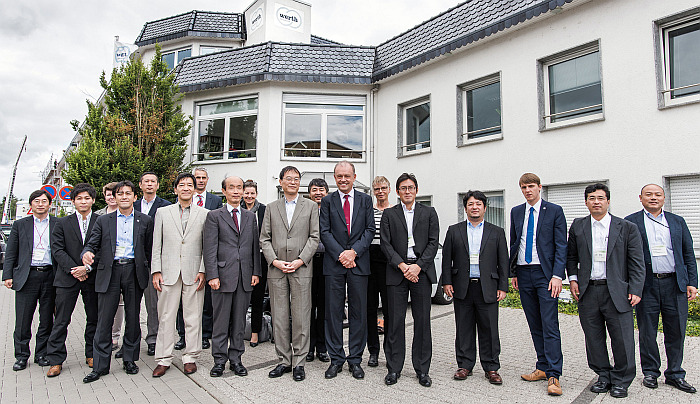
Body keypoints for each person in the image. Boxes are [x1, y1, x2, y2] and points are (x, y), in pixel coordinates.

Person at [567, 183, 645, 398]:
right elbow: (571, 256)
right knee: (593, 338)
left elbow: (637, 262)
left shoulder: (626, 227)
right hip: (588, 291)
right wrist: (573, 279)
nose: (596, 202)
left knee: (622, 338)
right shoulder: (578, 226)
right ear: (586, 202)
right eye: (591, 198)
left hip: (617, 292)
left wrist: (636, 289)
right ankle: (603, 375)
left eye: (600, 198)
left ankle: (621, 379)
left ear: (608, 201)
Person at [625, 184, 697, 393]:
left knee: (676, 331)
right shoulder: (631, 222)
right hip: (646, 286)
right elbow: (624, 257)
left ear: (664, 198)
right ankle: (650, 372)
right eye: (649, 195)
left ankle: (675, 373)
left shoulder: (677, 222)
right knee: (647, 331)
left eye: (658, 194)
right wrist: (631, 286)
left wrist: (692, 282)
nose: (653, 198)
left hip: (674, 285)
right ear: (641, 198)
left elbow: (688, 254)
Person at [81, 180, 154, 383]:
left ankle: (130, 359)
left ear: (134, 196)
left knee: (132, 318)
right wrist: (86, 253)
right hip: (109, 272)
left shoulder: (145, 220)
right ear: (114, 197)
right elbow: (92, 243)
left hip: (133, 270)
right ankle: (100, 365)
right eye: (119, 193)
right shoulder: (104, 221)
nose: (123, 196)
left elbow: (149, 249)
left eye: (127, 193)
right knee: (104, 320)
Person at [442, 191, 509, 385]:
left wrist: (503, 286)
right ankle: (465, 365)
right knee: (464, 328)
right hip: (462, 287)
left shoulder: (496, 232)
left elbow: (503, 261)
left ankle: (491, 367)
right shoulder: (454, 231)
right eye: (471, 204)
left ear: (485, 208)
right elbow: (447, 259)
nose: (474, 207)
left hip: (487, 287)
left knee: (489, 329)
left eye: (478, 204)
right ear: (465, 208)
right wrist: (447, 282)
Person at [509, 173, 566, 396]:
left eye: (531, 186)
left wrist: (557, 275)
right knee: (534, 323)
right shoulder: (516, 211)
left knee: (549, 324)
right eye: (523, 187)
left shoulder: (554, 211)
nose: (527, 190)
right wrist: (513, 271)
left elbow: (562, 245)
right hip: (524, 273)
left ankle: (554, 374)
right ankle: (542, 366)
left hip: (546, 274)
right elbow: (515, 243)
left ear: (539, 187)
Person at [260, 166, 320, 382]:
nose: (293, 182)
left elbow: (314, 237)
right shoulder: (271, 207)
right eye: (289, 179)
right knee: (280, 316)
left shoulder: (311, 206)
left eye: (296, 179)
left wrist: (299, 261)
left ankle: (299, 362)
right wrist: (274, 260)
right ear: (281, 182)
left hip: (301, 268)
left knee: (302, 316)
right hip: (277, 269)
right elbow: (264, 238)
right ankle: (284, 360)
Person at [379, 173, 439, 387]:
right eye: (403, 188)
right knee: (395, 323)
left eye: (410, 187)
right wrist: (403, 266)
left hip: (421, 272)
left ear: (416, 190)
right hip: (397, 271)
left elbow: (433, 243)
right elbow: (385, 244)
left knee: (422, 322)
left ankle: (422, 370)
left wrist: (417, 266)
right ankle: (394, 368)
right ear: (397, 192)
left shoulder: (429, 212)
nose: (407, 191)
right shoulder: (389, 214)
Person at [320, 161, 375, 380]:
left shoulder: (366, 200)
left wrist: (353, 253)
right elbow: (324, 231)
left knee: (358, 313)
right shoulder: (327, 201)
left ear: (354, 176)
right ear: (335, 178)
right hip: (334, 264)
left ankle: (355, 360)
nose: (343, 179)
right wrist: (341, 254)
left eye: (347, 175)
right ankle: (336, 359)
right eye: (339, 176)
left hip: (359, 263)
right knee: (333, 313)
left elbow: (370, 230)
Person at [151, 173, 208, 377]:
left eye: (189, 185)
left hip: (194, 272)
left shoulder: (204, 214)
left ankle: (190, 357)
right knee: (166, 316)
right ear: (175, 189)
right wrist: (156, 270)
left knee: (193, 317)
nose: (186, 188)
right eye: (181, 185)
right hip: (168, 271)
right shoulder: (162, 213)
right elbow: (156, 243)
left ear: (195, 189)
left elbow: (206, 246)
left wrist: (203, 269)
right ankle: (164, 358)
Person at [203, 175, 261, 377]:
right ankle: (219, 360)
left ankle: (236, 359)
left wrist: (255, 271)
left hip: (245, 277)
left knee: (238, 322)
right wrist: (212, 274)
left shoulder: (249, 216)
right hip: (222, 276)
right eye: (232, 188)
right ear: (224, 191)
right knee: (220, 322)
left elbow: (254, 247)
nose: (237, 191)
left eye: (239, 188)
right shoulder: (214, 216)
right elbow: (209, 248)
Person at [45, 184, 99, 377]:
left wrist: (87, 268)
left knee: (94, 317)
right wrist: (75, 269)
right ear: (73, 201)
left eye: (86, 198)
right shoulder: (62, 223)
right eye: (79, 198)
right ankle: (55, 360)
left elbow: (103, 249)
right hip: (67, 277)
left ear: (93, 200)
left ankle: (92, 354)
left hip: (92, 277)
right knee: (61, 320)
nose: (83, 201)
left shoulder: (101, 221)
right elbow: (57, 249)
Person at [2, 189, 57, 371]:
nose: (40, 204)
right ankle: (21, 355)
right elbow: (11, 252)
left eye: (44, 201)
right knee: (23, 319)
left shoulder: (58, 224)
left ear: (50, 204)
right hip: (27, 276)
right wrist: (7, 275)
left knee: (47, 318)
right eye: (36, 201)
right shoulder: (20, 225)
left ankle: (42, 353)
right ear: (31, 204)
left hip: (50, 275)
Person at [175, 167, 221, 351]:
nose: (200, 181)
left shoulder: (215, 200)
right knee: (181, 301)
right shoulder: (182, 200)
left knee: (205, 301)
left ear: (207, 180)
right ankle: (182, 335)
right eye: (197, 178)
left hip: (206, 253)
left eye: (203, 178)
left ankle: (205, 335)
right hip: (185, 256)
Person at [134, 172, 171, 357]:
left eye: (153, 182)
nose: (149, 184)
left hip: (154, 263)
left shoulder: (166, 207)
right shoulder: (131, 206)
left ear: (158, 185)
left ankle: (153, 339)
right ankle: (130, 341)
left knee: (153, 305)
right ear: (140, 185)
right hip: (133, 263)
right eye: (146, 181)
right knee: (132, 306)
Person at [96, 182, 125, 355]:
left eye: (114, 194)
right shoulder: (98, 216)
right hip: (105, 267)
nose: (111, 198)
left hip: (125, 266)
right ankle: (103, 338)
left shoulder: (130, 214)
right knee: (105, 304)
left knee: (122, 304)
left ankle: (115, 336)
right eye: (108, 195)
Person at [367, 176, 391, 368]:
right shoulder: (369, 211)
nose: (380, 191)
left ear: (389, 190)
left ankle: (390, 351)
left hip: (390, 264)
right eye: (377, 189)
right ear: (373, 191)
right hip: (370, 263)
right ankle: (373, 351)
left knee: (391, 310)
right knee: (370, 309)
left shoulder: (395, 211)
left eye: (383, 188)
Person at [241, 179, 267, 348]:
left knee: (257, 298)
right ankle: (237, 331)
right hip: (241, 259)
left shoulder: (264, 210)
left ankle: (255, 333)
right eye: (247, 193)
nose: (249, 196)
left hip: (260, 258)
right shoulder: (237, 209)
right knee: (241, 298)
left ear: (256, 194)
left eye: (252, 193)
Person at [306, 178, 330, 363]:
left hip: (326, 264)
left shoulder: (330, 211)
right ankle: (308, 347)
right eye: (314, 190)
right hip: (307, 263)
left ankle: (322, 347)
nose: (318, 193)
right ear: (309, 193)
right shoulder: (305, 211)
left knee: (323, 308)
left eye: (321, 189)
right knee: (306, 307)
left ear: (327, 193)